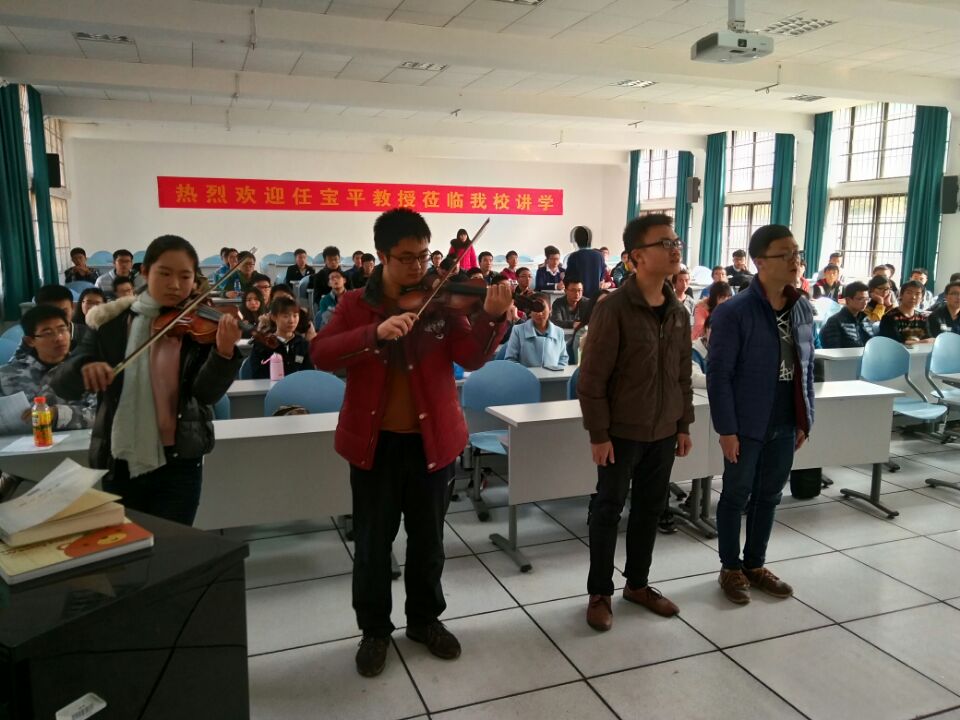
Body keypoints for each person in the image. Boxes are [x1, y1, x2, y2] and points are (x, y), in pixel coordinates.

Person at [310, 207, 512, 678]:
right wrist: (374, 333)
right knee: (373, 545)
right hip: (375, 446)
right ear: (382, 256)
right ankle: (374, 630)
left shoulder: (440, 300)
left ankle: (424, 621)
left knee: (428, 542)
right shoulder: (356, 304)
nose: (419, 266)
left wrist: (492, 319)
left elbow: (471, 357)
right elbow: (321, 354)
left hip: (432, 443)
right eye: (407, 258)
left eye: (424, 256)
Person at [51, 234, 243, 526]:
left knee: (173, 544)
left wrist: (223, 353)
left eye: (185, 276)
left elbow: (205, 394)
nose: (175, 284)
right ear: (144, 272)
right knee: (129, 545)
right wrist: (85, 367)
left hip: (180, 461)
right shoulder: (112, 322)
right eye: (164, 273)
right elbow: (63, 383)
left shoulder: (198, 326)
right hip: (120, 460)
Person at [577, 213, 693, 631]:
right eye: (665, 243)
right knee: (608, 510)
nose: (674, 249)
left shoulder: (678, 311)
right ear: (636, 257)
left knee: (650, 509)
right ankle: (600, 592)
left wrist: (683, 424)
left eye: (676, 241)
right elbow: (592, 379)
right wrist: (599, 434)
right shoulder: (614, 309)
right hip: (621, 433)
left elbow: (682, 374)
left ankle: (638, 585)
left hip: (663, 431)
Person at [707, 224, 814, 606]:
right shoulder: (734, 312)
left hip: (785, 415)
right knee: (736, 494)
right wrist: (726, 429)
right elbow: (719, 375)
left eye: (797, 254)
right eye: (786, 254)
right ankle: (730, 567)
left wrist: (805, 418)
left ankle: (755, 564)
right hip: (747, 419)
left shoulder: (802, 307)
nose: (795, 261)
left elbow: (806, 367)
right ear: (760, 262)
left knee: (769, 495)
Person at [0, 306, 97, 431]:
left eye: (62, 330)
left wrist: (57, 414)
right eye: (48, 333)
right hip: (18, 442)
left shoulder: (86, 371)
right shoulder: (6, 375)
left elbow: (101, 414)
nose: (59, 338)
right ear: (30, 341)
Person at [250, 296, 314, 379]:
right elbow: (257, 374)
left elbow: (309, 373)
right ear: (274, 317)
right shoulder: (262, 344)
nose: (291, 321)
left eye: (295, 316)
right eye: (286, 316)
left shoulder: (303, 344)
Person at [505, 293, 568, 368]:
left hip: (552, 374)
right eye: (535, 309)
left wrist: (556, 371)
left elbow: (563, 359)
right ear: (529, 311)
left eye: (542, 308)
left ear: (550, 309)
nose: (539, 313)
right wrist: (524, 372)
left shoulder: (559, 332)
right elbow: (511, 360)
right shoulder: (518, 331)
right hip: (525, 375)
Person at [819, 282, 873, 349]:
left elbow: (872, 345)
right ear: (848, 300)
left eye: (867, 299)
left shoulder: (866, 319)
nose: (865, 303)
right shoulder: (835, 321)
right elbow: (833, 350)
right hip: (847, 355)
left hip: (867, 355)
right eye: (860, 299)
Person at [878, 280, 933, 345]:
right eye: (909, 293)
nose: (913, 297)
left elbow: (930, 339)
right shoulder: (889, 317)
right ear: (901, 295)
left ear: (922, 299)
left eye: (917, 294)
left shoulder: (922, 318)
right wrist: (920, 342)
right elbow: (894, 342)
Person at [36, 283, 89, 350]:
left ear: (72, 308)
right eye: (51, 313)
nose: (58, 319)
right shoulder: (34, 338)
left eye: (63, 312)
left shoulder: (89, 334)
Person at [565, 226, 605, 298]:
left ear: (576, 240)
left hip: (579, 297)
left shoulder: (574, 256)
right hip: (595, 297)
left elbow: (569, 279)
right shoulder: (599, 256)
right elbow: (602, 279)